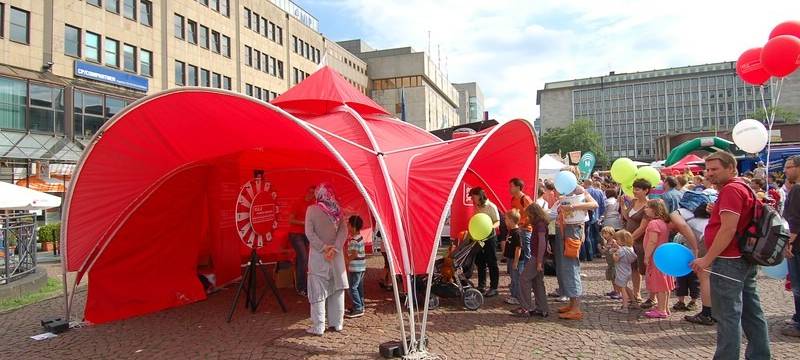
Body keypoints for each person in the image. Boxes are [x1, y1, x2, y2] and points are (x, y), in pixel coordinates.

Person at [691, 151, 771, 359]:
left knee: (727, 315)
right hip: (743, 257)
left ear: (731, 168)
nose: (709, 174)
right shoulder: (742, 187)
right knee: (751, 312)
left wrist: (707, 259)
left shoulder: (731, 190)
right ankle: (760, 355)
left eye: (715, 169)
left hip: (729, 260)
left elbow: (728, 229)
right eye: (707, 169)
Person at [553, 167, 598, 320]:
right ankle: (572, 303)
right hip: (565, 229)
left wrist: (572, 207)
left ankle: (576, 308)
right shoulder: (565, 191)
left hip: (572, 230)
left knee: (571, 266)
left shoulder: (579, 189)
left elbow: (594, 205)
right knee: (564, 266)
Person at [304, 183, 349, 336]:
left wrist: (324, 248)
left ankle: (319, 326)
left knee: (318, 291)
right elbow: (344, 231)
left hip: (319, 256)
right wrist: (335, 248)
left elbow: (309, 233)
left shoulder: (311, 210)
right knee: (337, 290)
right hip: (336, 257)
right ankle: (337, 323)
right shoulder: (338, 210)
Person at [512, 202, 550, 318]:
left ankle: (525, 308)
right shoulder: (541, 223)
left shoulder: (540, 225)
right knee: (537, 282)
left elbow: (542, 244)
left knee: (524, 279)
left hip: (536, 257)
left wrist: (538, 261)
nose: (528, 218)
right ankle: (542, 308)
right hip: (538, 256)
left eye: (529, 215)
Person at [642, 199, 676, 319]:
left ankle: (661, 310)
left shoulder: (654, 223)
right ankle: (664, 307)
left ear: (654, 209)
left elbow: (652, 241)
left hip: (656, 256)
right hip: (664, 255)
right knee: (665, 283)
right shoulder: (663, 222)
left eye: (647, 207)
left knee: (660, 283)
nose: (645, 209)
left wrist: (646, 256)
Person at [622, 178, 650, 305]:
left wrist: (630, 239)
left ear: (646, 191)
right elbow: (627, 216)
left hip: (640, 241)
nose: (634, 191)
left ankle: (651, 295)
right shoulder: (633, 202)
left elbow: (643, 227)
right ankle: (636, 292)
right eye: (634, 189)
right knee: (634, 268)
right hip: (630, 240)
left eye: (637, 189)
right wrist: (622, 204)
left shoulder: (648, 206)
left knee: (644, 268)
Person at [469, 187, 501, 297]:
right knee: (480, 261)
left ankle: (494, 287)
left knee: (492, 261)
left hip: (490, 238)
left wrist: (490, 227)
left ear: (479, 196)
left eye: (473, 197)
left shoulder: (491, 206)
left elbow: (497, 222)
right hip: (479, 238)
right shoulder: (476, 206)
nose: (472, 199)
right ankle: (481, 285)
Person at [782, 155, 800, 337]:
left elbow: (795, 220)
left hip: (797, 245)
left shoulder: (797, 190)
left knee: (798, 285)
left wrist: (789, 243)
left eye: (789, 167)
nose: (785, 171)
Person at [289, 186, 316, 296]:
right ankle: (301, 287)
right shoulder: (298, 202)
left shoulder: (314, 204)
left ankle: (302, 284)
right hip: (296, 234)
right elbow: (290, 219)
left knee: (304, 260)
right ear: (307, 191)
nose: (312, 195)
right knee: (303, 259)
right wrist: (304, 223)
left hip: (307, 235)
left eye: (314, 193)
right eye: (311, 192)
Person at [344, 215, 366, 318]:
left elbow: (354, 254)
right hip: (361, 267)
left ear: (352, 227)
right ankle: (360, 305)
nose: (347, 227)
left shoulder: (353, 240)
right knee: (358, 287)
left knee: (352, 288)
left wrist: (347, 259)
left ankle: (358, 308)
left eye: (348, 225)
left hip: (355, 268)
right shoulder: (360, 237)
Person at [503, 209, 526, 305]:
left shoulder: (517, 233)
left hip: (515, 260)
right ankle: (513, 294)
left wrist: (516, 261)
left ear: (511, 220)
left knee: (516, 278)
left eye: (506, 219)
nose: (505, 220)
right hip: (511, 258)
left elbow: (518, 248)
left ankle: (516, 297)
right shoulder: (511, 231)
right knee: (513, 277)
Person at [611, 230, 637, 313]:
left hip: (621, 272)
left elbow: (616, 259)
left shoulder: (621, 250)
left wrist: (614, 254)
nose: (616, 241)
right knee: (625, 287)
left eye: (617, 240)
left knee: (623, 290)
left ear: (622, 241)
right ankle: (634, 302)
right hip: (628, 270)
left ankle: (625, 307)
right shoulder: (630, 248)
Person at [581, 179, 606, 262]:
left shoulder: (584, 192)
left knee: (588, 236)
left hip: (587, 216)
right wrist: (600, 215)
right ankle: (596, 253)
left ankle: (588, 255)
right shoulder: (599, 192)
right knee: (595, 236)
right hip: (596, 217)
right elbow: (603, 205)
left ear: (585, 183)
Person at [599, 226, 620, 299]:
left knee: (615, 278)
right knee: (612, 278)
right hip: (610, 263)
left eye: (605, 234)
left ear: (611, 234)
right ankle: (615, 290)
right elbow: (604, 252)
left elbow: (619, 250)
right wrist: (600, 248)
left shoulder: (614, 242)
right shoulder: (606, 242)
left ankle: (618, 292)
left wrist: (613, 250)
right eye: (603, 234)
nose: (604, 235)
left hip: (615, 263)